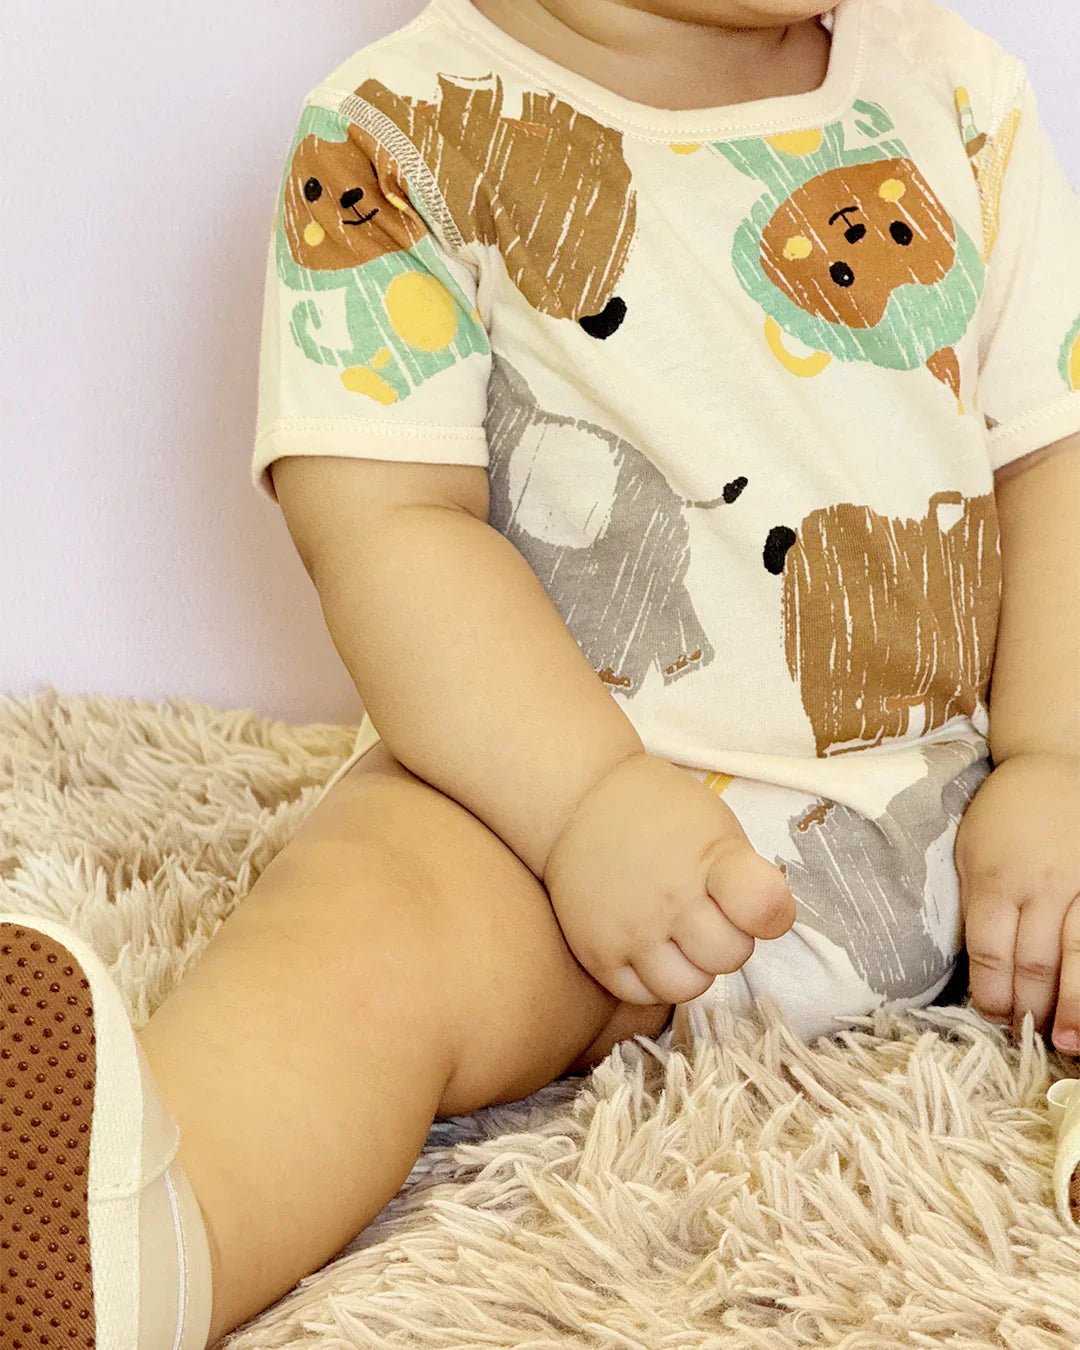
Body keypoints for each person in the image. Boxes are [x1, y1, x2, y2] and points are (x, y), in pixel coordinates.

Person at [3, 0, 1079, 1343]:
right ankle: (156, 1231)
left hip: (965, 825)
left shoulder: (958, 94)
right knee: (371, 920)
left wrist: (1054, 756)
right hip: (554, 843)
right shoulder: (397, 131)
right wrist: (582, 801)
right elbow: (390, 529)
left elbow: (1051, 458)